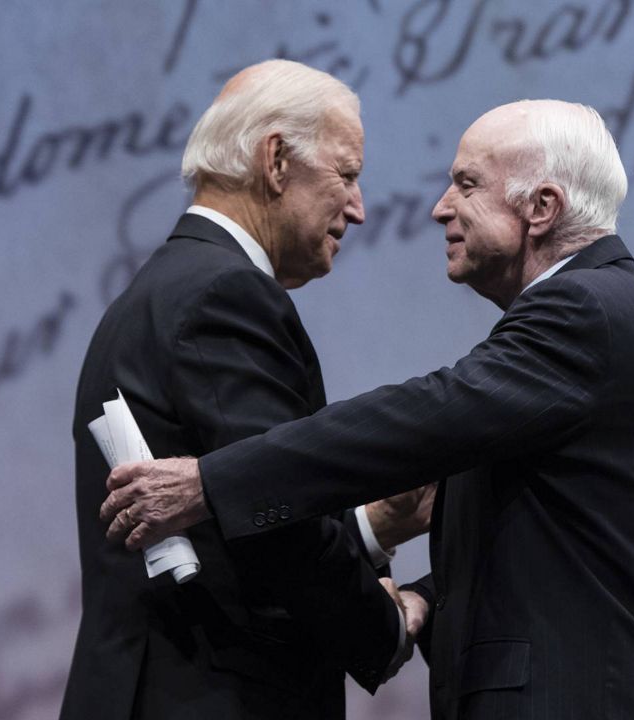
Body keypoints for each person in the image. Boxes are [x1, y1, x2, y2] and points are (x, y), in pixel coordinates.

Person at [102, 99, 634, 719]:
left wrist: (211, 481)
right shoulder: (586, 317)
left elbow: (419, 420)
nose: (441, 207)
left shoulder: (585, 310)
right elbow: (559, 546)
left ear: (542, 208)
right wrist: (418, 602)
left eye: (467, 184)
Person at [60, 59, 430, 720]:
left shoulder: (172, 283)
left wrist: (371, 528)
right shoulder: (223, 294)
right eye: (347, 175)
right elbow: (277, 521)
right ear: (277, 161)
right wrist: (387, 627)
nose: (360, 209)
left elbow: (240, 509)